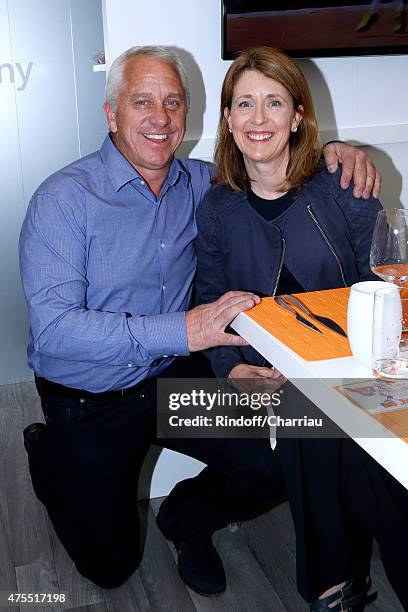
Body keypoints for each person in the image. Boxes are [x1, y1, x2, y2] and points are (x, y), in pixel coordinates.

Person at [19, 44, 379, 596]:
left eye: (172, 102)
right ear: (112, 114)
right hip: (87, 401)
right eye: (142, 101)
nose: (160, 118)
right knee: (109, 568)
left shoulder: (206, 184)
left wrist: (337, 152)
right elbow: (55, 330)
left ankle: (186, 518)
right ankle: (49, 458)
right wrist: (184, 329)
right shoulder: (64, 199)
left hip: (169, 382)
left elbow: (273, 166)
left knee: (278, 454)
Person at [194, 46, 407, 609]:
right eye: (244, 104)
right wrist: (231, 367)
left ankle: (329, 589)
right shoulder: (217, 207)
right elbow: (209, 299)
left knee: (335, 435)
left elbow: (383, 287)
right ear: (228, 119)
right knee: (313, 416)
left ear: (296, 117)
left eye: (273, 103)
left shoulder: (342, 184)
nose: (258, 119)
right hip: (263, 374)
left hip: (354, 368)